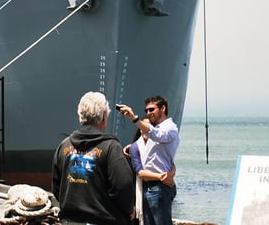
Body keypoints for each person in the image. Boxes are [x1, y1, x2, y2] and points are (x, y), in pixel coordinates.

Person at [51, 91, 135, 225]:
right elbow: (123, 185)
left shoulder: (64, 146)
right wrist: (129, 209)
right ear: (104, 117)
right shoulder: (111, 147)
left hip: (69, 220)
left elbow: (56, 187)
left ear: (81, 116)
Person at [117, 96, 179, 225]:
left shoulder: (169, 128)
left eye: (152, 109)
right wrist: (131, 147)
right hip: (151, 186)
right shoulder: (157, 129)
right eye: (146, 110)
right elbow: (153, 148)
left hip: (159, 187)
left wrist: (134, 118)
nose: (149, 113)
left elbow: (155, 135)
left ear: (163, 108)